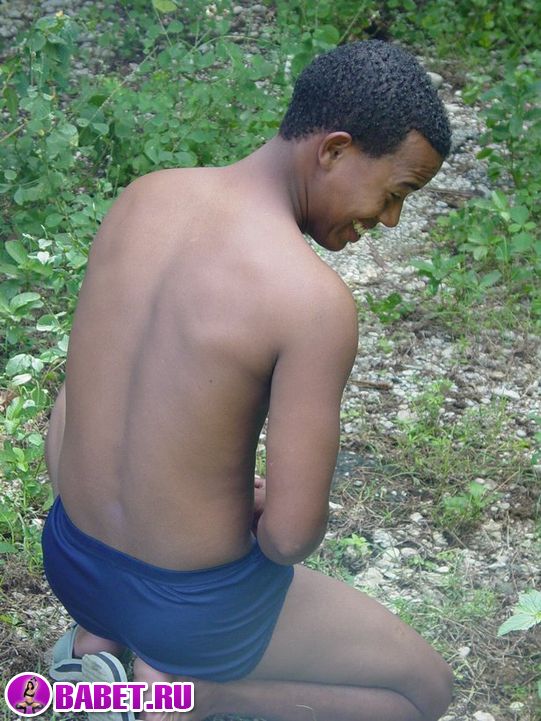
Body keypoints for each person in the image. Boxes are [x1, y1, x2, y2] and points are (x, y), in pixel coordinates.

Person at [42, 40, 454, 720]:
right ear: (334, 150)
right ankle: (192, 697)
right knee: (422, 692)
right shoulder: (310, 301)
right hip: (192, 611)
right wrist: (252, 507)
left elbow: (81, 401)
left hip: (72, 561)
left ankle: (97, 648)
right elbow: (288, 538)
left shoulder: (143, 197)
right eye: (395, 193)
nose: (389, 220)